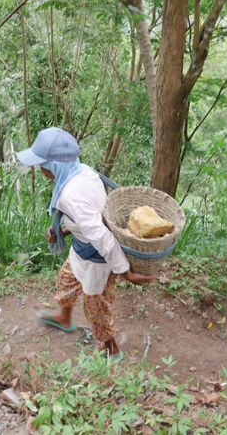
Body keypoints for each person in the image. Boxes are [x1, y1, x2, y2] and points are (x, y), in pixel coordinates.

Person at [17, 127, 154, 363]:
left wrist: (125, 271)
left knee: (96, 305)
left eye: (43, 165)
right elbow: (90, 216)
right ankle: (64, 316)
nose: (40, 170)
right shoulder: (82, 172)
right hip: (82, 248)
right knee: (67, 280)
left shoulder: (70, 194)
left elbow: (99, 233)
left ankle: (112, 349)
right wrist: (64, 231)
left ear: (55, 165)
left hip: (98, 256)